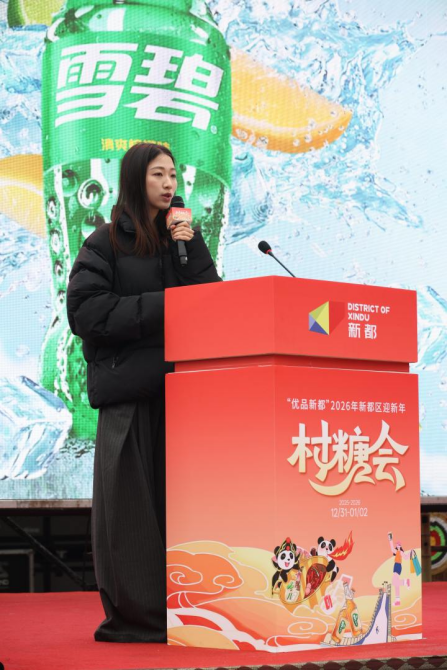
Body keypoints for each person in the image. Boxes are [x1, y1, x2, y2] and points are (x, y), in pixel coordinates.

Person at [66, 143, 221, 642]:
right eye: (158, 175)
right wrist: (164, 306)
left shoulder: (183, 240)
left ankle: (187, 610)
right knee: (129, 514)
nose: (170, 184)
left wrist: (192, 251)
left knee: (184, 506)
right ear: (136, 179)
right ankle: (139, 617)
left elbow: (212, 303)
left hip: (184, 395)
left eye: (173, 175)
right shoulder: (105, 242)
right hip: (128, 393)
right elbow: (86, 313)